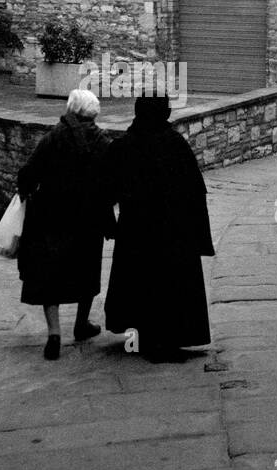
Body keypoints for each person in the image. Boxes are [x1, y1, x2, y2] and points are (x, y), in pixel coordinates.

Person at [102, 93, 213, 360]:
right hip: (175, 230)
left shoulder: (124, 146)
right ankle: (169, 338)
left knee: (142, 282)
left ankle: (146, 337)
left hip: (136, 230)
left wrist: (109, 223)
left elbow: (105, 189)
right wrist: (198, 233)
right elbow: (196, 190)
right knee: (172, 284)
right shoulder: (175, 144)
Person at [16, 88, 114, 360]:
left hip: (51, 216)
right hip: (88, 218)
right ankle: (81, 325)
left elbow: (28, 174)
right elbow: (111, 183)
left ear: (72, 110)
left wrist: (26, 192)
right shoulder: (103, 142)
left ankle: (54, 334)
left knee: (50, 275)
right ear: (92, 114)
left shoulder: (52, 139)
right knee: (86, 270)